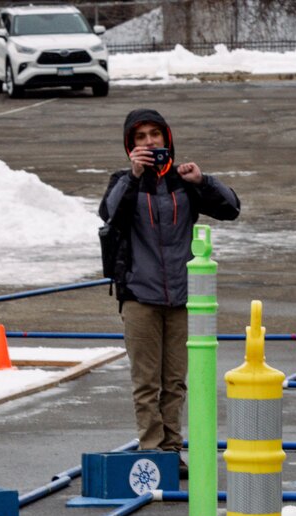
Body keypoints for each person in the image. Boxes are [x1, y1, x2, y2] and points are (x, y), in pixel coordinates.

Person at [98, 108, 240, 455]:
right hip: (139, 296)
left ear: (167, 138)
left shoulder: (182, 181)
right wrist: (134, 176)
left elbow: (231, 207)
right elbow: (108, 213)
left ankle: (172, 449)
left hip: (181, 296)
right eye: (141, 137)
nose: (150, 142)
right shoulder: (123, 181)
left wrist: (203, 181)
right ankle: (151, 451)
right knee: (146, 382)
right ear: (130, 145)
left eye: (155, 135)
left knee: (174, 382)